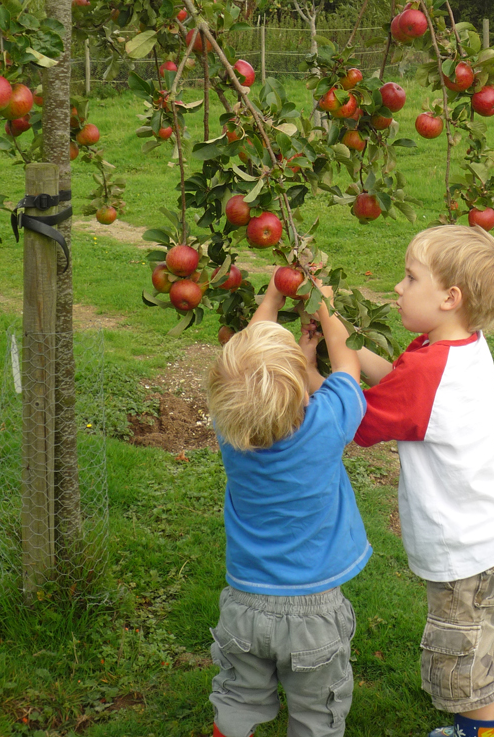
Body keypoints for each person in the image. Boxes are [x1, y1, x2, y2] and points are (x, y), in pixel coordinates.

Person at [353, 225, 494, 737]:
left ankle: (481, 729)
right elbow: (398, 388)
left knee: (461, 668)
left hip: (466, 553)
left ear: (450, 297)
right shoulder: (460, 347)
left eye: (410, 278)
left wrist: (316, 372)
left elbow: (360, 420)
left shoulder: (430, 370)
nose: (398, 288)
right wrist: (343, 342)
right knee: (489, 637)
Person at [205, 270, 372, 737]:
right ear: (300, 389)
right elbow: (349, 367)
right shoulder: (327, 424)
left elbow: (262, 384)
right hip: (314, 613)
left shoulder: (230, 432)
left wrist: (276, 295)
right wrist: (325, 302)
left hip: (244, 604)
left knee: (238, 696)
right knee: (317, 713)